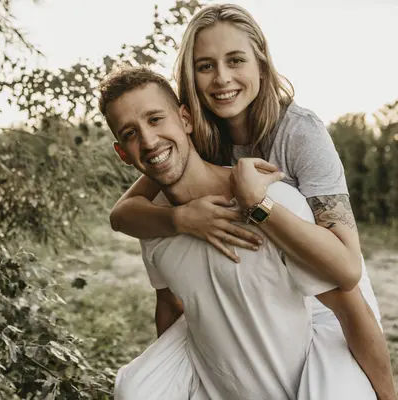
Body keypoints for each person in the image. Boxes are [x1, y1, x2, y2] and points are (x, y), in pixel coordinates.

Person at [108, 4, 396, 399]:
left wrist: (257, 204)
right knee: (136, 387)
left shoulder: (299, 132)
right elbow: (122, 213)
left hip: (323, 286)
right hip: (259, 284)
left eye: (236, 60)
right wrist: (181, 218)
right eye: (205, 66)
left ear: (261, 62)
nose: (222, 78)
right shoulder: (201, 132)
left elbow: (346, 270)